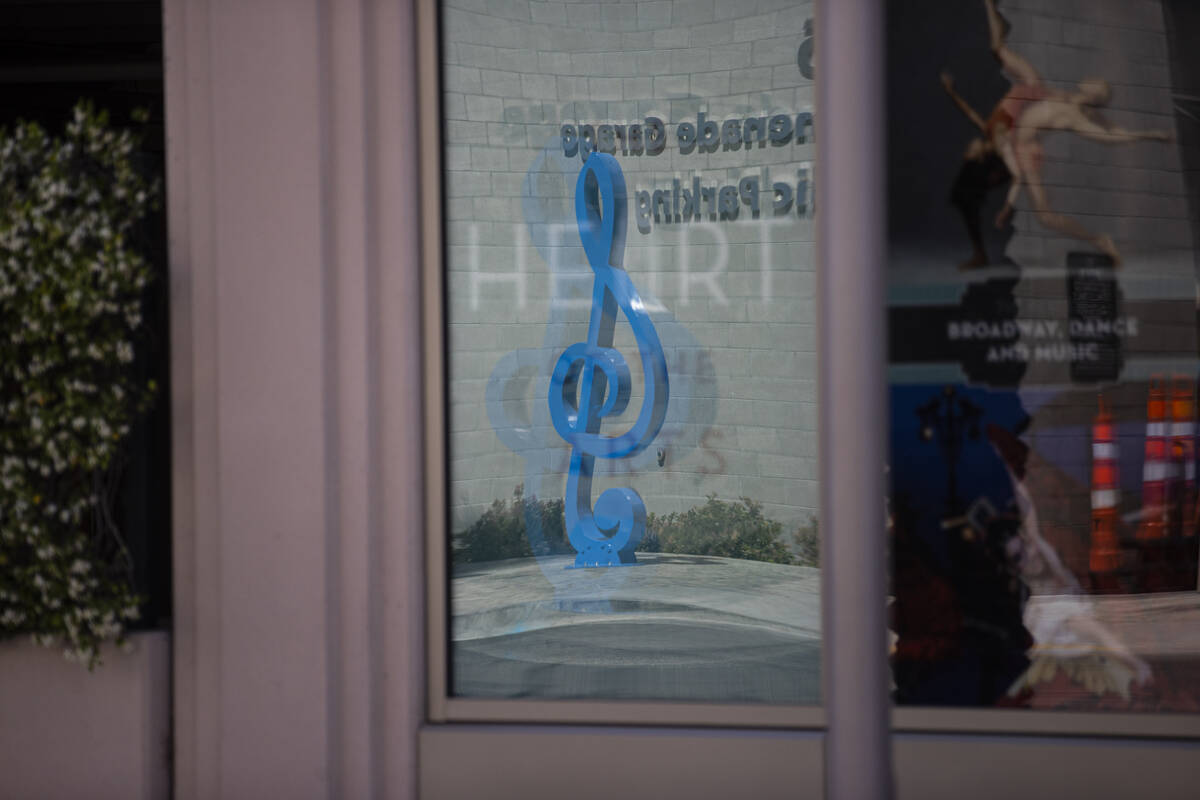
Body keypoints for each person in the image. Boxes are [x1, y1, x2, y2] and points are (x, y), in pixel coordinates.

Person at [944, 0, 1173, 267]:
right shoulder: (1060, 96)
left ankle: (1099, 240)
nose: (1093, 79)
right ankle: (991, 6)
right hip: (1015, 129)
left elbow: (1110, 135)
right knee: (999, 50)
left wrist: (1150, 134)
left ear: (1093, 95)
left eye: (1098, 85)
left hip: (1024, 149)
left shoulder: (1073, 117)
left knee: (1045, 216)